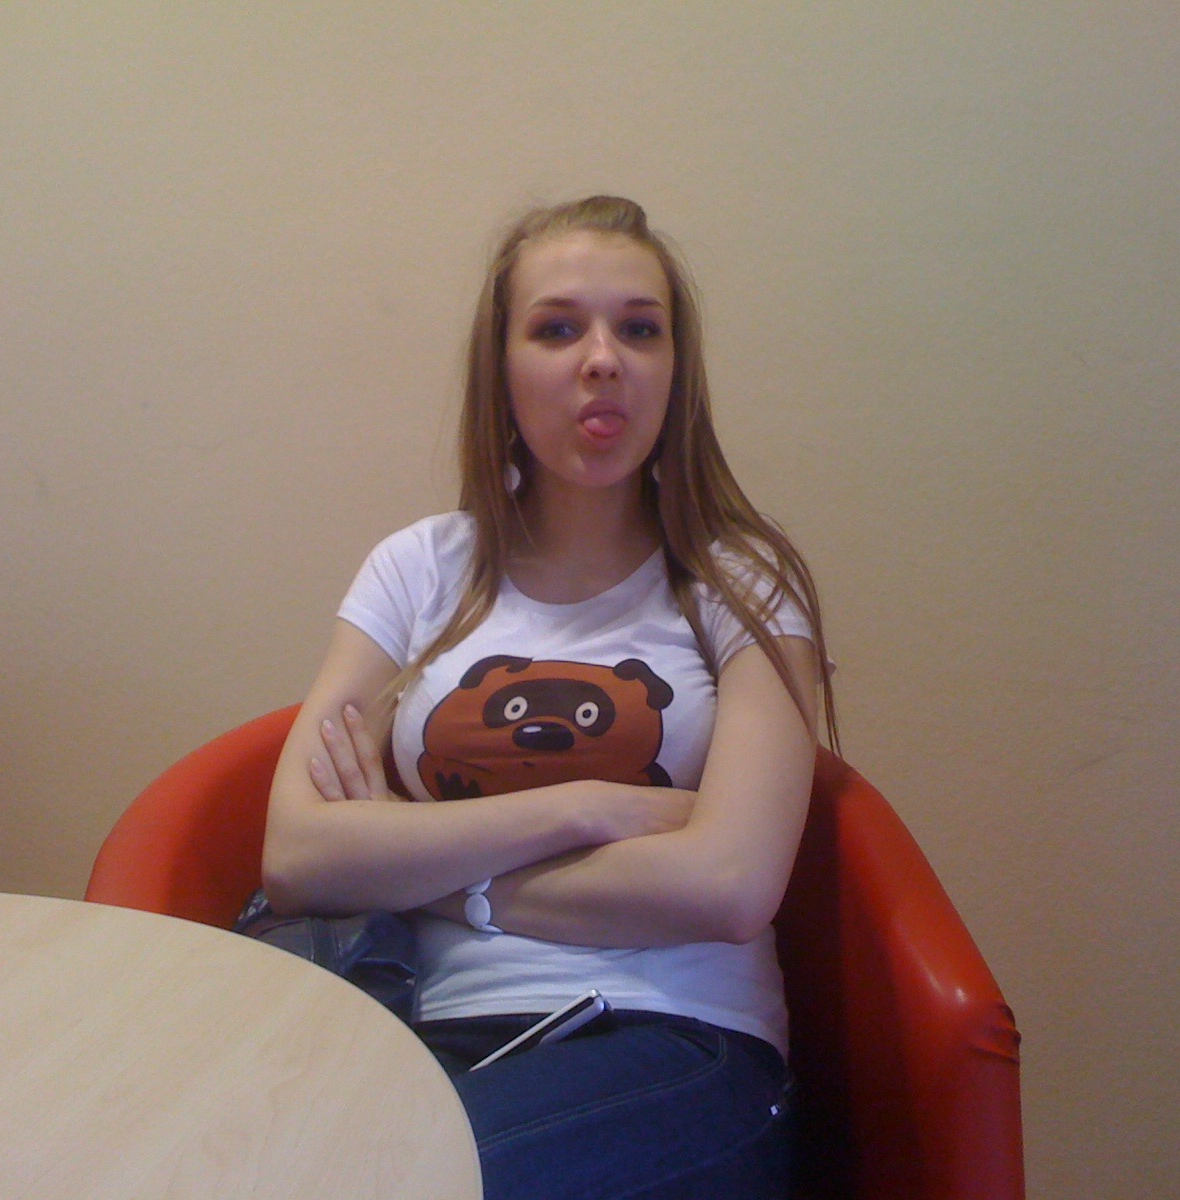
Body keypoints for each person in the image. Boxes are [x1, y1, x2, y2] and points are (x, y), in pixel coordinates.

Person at [263, 195, 837, 1200]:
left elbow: (727, 886)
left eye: (640, 330)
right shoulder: (418, 569)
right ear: (502, 368)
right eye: (559, 328)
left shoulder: (742, 582)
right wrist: (586, 810)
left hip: (673, 1042)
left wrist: (423, 864)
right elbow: (298, 856)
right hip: (415, 1028)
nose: (603, 359)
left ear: (676, 371)